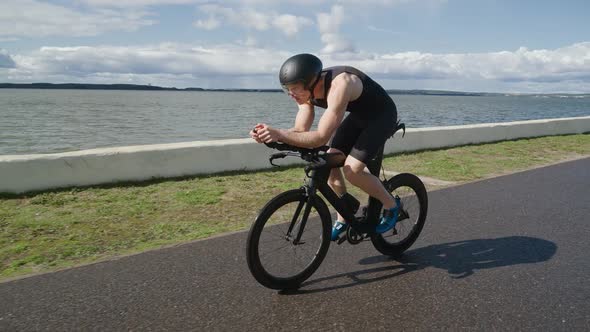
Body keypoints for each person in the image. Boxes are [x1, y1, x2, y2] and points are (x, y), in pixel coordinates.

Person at [250, 53, 400, 241]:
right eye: (287, 89)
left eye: (294, 89)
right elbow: (300, 131)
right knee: (327, 160)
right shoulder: (305, 93)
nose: (291, 94)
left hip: (381, 116)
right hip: (358, 116)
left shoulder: (341, 84)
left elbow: (320, 138)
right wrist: (271, 136)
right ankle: (344, 213)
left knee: (352, 171)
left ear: (311, 82)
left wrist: (280, 133)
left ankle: (391, 205)